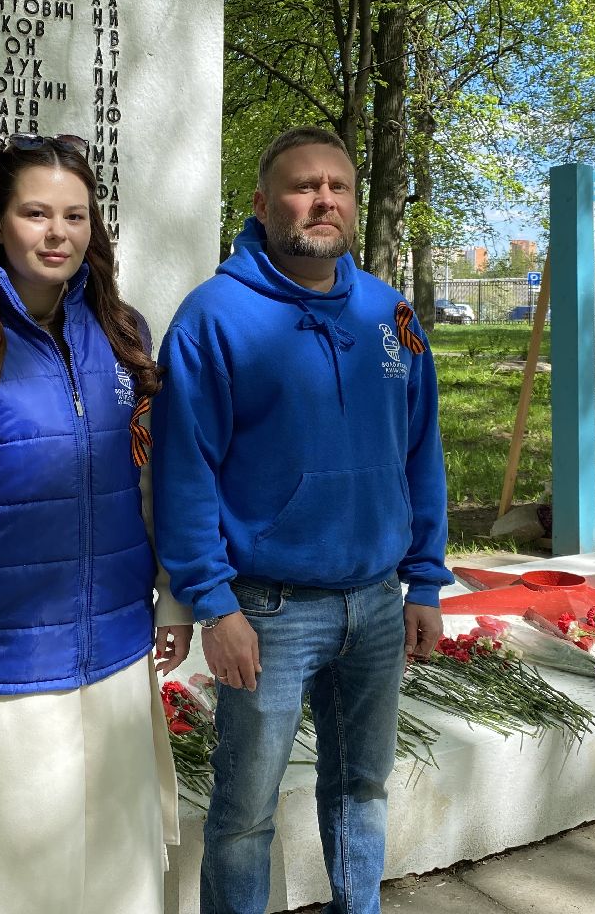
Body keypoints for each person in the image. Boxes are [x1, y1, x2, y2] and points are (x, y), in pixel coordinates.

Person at [0, 133, 192, 913]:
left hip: (117, 653)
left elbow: (150, 480)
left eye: (76, 216)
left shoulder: (123, 336)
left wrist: (174, 595)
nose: (58, 233)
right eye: (36, 213)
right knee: (11, 886)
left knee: (122, 879)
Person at [151, 126, 452, 914]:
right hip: (268, 610)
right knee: (245, 815)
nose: (323, 199)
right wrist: (212, 603)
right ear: (259, 203)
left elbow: (421, 452)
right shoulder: (214, 317)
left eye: (338, 186)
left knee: (362, 788)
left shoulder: (392, 315)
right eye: (302, 185)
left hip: (379, 603)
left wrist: (425, 578)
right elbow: (184, 473)